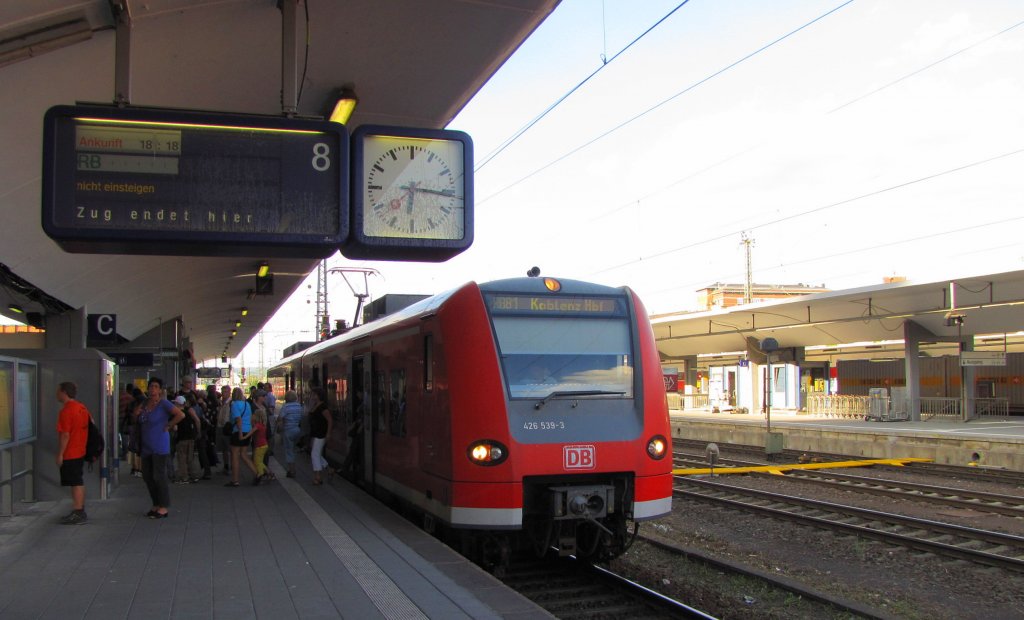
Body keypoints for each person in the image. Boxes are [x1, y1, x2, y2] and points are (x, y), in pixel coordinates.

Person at [137, 377, 185, 519]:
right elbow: (137, 418)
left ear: (160, 390)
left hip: (159, 446)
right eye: (151, 386)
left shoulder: (164, 404)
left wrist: (169, 425)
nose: (153, 389)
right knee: (147, 476)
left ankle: (163, 506)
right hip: (146, 447)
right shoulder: (145, 404)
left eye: (156, 387)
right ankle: (156, 504)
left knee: (159, 476)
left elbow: (180, 414)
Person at [56, 381, 91, 525]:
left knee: (75, 482)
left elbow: (65, 435)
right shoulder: (81, 407)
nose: (56, 394)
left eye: (58, 391)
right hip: (80, 449)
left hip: (71, 451)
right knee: (78, 480)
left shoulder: (66, 410)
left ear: (64, 392)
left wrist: (60, 454)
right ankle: (79, 509)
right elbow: (91, 422)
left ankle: (78, 511)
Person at [226, 387, 258, 487]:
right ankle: (257, 473)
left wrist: (239, 433)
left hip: (238, 431)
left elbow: (238, 419)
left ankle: (235, 480)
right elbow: (251, 418)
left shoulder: (234, 404)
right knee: (244, 454)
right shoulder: (247, 404)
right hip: (247, 430)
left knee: (234, 455)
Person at [172, 394, 203, 484]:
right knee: (190, 458)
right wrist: (198, 432)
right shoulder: (189, 412)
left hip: (182, 438)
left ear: (177, 404)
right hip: (191, 437)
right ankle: (194, 475)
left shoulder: (178, 414)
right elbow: (196, 421)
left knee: (182, 458)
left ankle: (184, 477)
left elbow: (175, 428)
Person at [277, 390, 304, 478]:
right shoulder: (299, 406)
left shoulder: (286, 406)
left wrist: (279, 427)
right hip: (298, 430)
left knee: (289, 451)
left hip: (288, 431)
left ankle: (292, 470)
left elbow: (280, 418)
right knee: (293, 448)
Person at [308, 388, 332, 486]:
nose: (313, 396)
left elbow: (330, 420)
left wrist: (328, 433)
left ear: (319, 395)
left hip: (321, 433)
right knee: (316, 453)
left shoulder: (323, 407)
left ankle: (318, 476)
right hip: (315, 432)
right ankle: (329, 469)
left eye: (314, 394)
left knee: (314, 454)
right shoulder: (315, 405)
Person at [250, 406, 273, 485]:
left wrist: (243, 437)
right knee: (260, 461)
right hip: (263, 445)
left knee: (257, 461)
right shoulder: (263, 425)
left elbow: (251, 433)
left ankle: (260, 474)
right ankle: (269, 473)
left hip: (260, 445)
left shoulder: (258, 425)